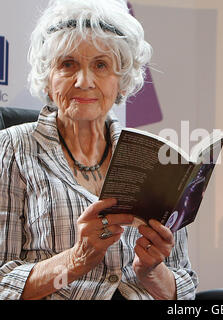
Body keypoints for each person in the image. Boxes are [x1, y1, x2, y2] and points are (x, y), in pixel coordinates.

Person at [0, 0, 198, 300]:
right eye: (68, 64)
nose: (84, 81)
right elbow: (2, 283)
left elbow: (184, 289)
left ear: (121, 81)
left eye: (101, 65)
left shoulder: (152, 157)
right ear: (48, 77)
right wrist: (77, 259)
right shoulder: (12, 148)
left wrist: (151, 271)